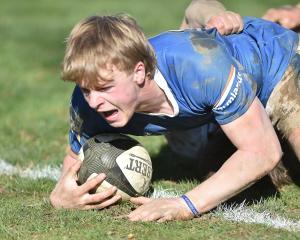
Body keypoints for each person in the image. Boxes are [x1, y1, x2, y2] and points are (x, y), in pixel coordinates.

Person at [49, 13, 300, 222]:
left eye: (104, 87)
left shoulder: (198, 65)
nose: (93, 101)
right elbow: (74, 159)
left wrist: (185, 204)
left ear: (138, 73)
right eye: (85, 89)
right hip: (206, 100)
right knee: (199, 160)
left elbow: (263, 152)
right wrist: (60, 196)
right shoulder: (86, 103)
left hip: (275, 62)